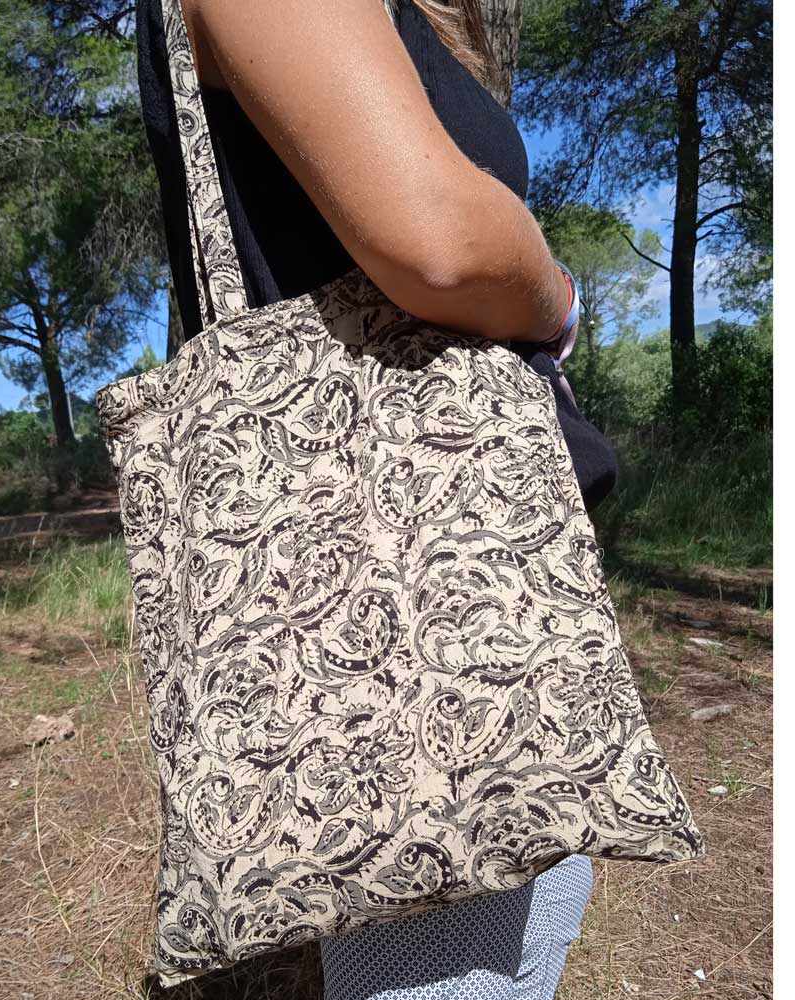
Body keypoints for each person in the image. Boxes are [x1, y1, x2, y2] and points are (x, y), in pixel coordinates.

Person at [136, 1, 596, 997]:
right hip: (393, 606)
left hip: (502, 579)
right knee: (456, 969)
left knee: (533, 934)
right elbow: (440, 241)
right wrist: (558, 301)